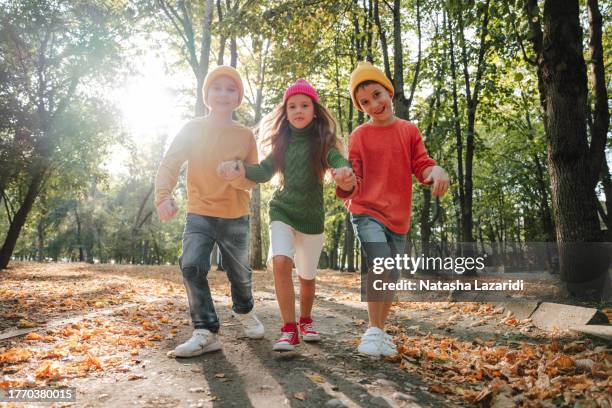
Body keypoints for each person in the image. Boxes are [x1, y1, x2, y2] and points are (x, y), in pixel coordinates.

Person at [218, 79, 355, 351]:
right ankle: (289, 329)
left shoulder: (322, 140)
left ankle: (305, 320)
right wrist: (241, 169)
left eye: (304, 105)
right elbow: (264, 172)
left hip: (312, 217)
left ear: (314, 110)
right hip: (282, 210)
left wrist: (343, 171)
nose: (298, 110)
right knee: (281, 261)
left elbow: (336, 160)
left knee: (307, 276)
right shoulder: (281, 142)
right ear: (286, 111)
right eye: (292, 106)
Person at [338, 62, 450, 357]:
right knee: (381, 264)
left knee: (393, 274)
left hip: (397, 218)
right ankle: (372, 330)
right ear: (361, 107)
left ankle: (380, 331)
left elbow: (422, 164)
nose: (374, 104)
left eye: (377, 95)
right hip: (365, 210)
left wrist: (436, 170)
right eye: (365, 102)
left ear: (388, 91)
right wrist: (346, 179)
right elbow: (354, 175)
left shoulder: (408, 131)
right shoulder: (359, 136)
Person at [154, 65, 265, 358]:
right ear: (207, 95)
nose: (223, 94)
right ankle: (205, 330)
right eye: (217, 88)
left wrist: (237, 174)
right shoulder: (192, 129)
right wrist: (162, 197)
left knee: (240, 275)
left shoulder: (245, 136)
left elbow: (253, 177)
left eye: (231, 89)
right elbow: (170, 162)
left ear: (238, 97)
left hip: (235, 215)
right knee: (191, 265)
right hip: (200, 212)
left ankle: (244, 310)